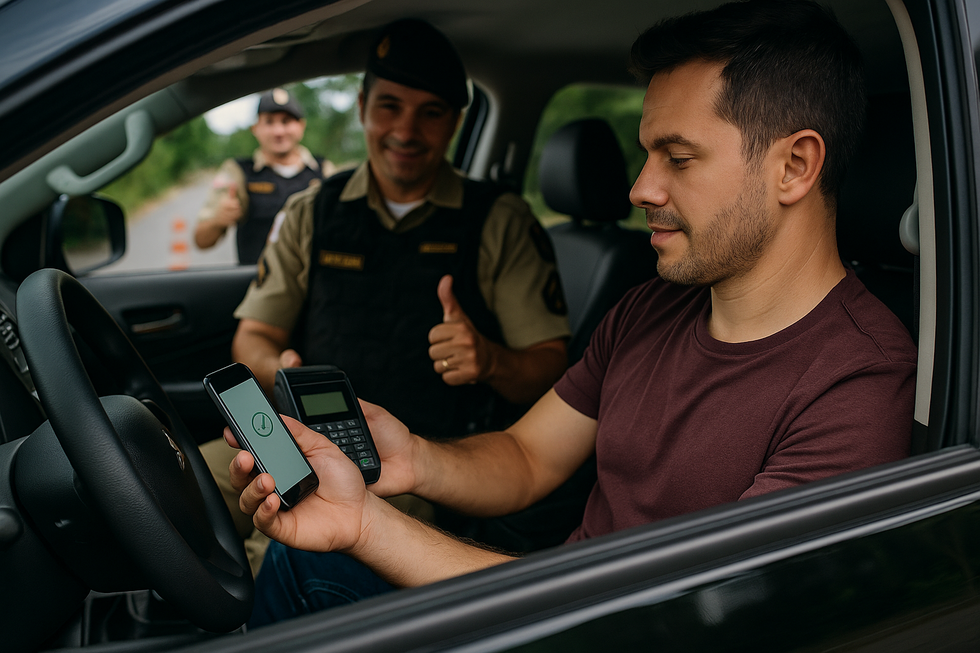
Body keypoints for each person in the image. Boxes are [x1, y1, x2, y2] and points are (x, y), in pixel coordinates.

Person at [231, 0, 917, 626]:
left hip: (607, 631)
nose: (640, 188)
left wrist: (366, 525)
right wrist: (413, 458)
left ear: (794, 166)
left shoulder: (856, 384)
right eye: (647, 154)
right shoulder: (651, 307)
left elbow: (673, 623)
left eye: (678, 158)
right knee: (298, 563)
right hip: (560, 599)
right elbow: (527, 457)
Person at [201, 17, 572, 574]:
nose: (406, 130)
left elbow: (551, 368)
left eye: (431, 112)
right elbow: (253, 334)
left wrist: (491, 360)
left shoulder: (499, 220)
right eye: (390, 106)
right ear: (362, 107)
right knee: (167, 482)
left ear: (455, 122)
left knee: (285, 553)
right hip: (301, 434)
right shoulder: (312, 210)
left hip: (414, 460)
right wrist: (282, 370)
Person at [193, 87, 336, 264]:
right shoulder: (238, 172)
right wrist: (218, 220)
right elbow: (201, 241)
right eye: (269, 122)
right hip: (256, 277)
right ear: (255, 128)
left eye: (286, 121)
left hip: (310, 277)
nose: (278, 131)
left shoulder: (324, 171)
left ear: (301, 126)